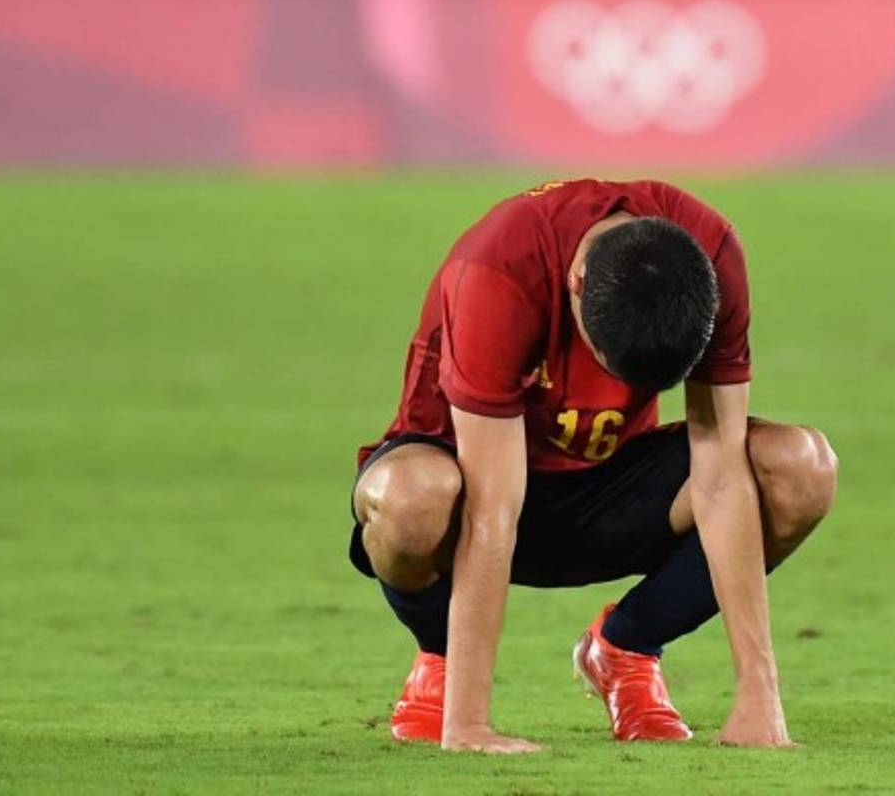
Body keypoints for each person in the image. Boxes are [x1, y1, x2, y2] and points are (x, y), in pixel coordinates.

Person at [349, 179, 838, 753]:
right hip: (473, 491)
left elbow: (722, 474)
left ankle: (626, 648)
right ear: (576, 283)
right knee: (409, 496)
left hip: (613, 480)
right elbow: (491, 509)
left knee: (799, 467)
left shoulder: (712, 256)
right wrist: (469, 726)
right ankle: (440, 661)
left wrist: (760, 699)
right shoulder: (499, 268)